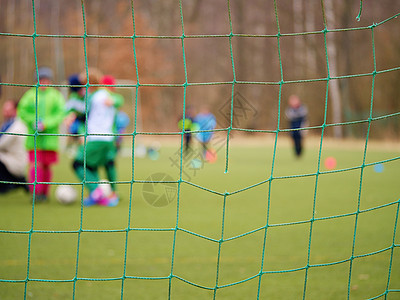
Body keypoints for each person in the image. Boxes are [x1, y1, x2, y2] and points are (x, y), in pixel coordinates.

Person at [72, 69, 120, 206]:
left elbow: (83, 114)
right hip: (108, 139)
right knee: (94, 165)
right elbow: (117, 100)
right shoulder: (106, 94)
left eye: (84, 84)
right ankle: (110, 194)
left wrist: (72, 117)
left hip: (97, 138)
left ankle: (97, 192)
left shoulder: (93, 97)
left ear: (89, 83)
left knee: (77, 164)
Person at [17, 67, 66, 202]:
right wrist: (33, 121)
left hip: (50, 138)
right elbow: (22, 111)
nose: (44, 82)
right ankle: (35, 192)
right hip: (34, 137)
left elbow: (60, 113)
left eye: (47, 80)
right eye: (41, 80)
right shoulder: (30, 95)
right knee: (36, 164)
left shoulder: (56, 96)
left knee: (46, 165)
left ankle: (45, 192)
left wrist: (47, 123)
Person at [0, 99, 28, 193]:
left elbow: (2, 143)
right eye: (4, 110)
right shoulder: (8, 124)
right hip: (9, 159)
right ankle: (17, 182)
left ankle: (9, 184)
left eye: (8, 110)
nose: (5, 112)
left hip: (15, 163)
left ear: (15, 110)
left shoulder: (17, 126)